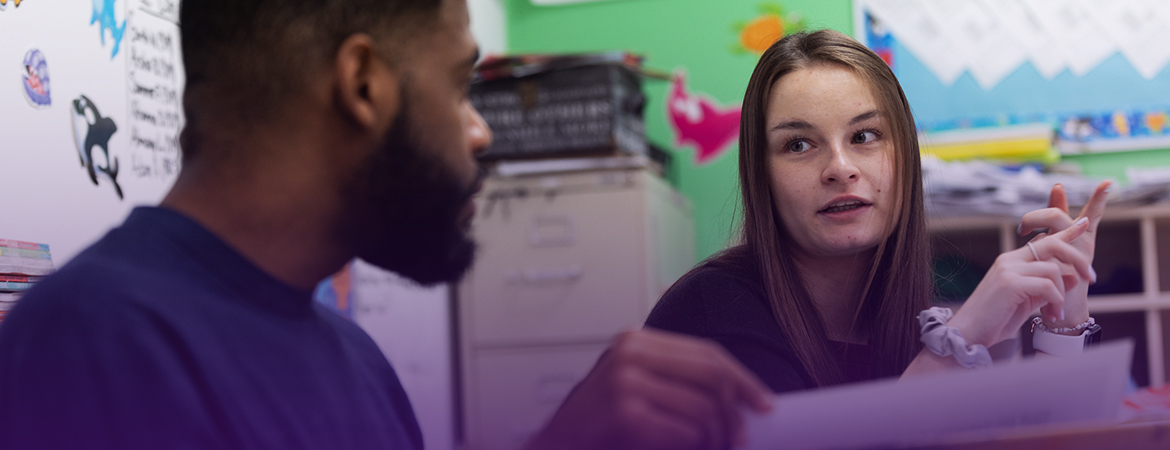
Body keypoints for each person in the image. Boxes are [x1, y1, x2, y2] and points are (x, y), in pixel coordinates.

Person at [0, 1, 771, 449]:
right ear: (363, 83)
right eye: (459, 83)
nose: (480, 132)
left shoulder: (355, 358)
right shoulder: (91, 343)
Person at [646, 29, 1110, 392]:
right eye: (799, 144)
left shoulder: (909, 312)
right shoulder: (709, 312)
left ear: (906, 154)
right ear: (760, 174)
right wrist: (957, 344)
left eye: (864, 136)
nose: (840, 168)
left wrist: (1062, 325)